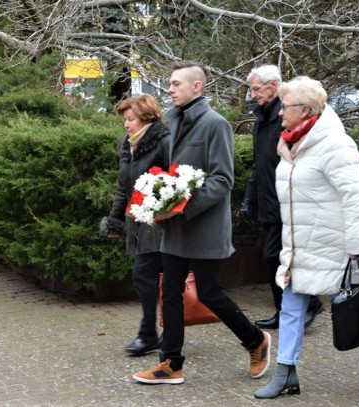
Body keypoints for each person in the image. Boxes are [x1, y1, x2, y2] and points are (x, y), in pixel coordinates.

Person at [254, 76, 359, 399]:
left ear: (306, 109)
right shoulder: (289, 141)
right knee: (291, 306)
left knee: (357, 309)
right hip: (298, 245)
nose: (280, 113)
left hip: (335, 246)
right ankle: (286, 374)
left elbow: (354, 198)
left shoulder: (336, 144)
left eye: (286, 107)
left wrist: (358, 249)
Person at [133, 61, 271, 385]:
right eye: (169, 83)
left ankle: (256, 341)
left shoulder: (215, 124)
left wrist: (180, 208)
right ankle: (171, 364)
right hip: (175, 229)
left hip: (204, 227)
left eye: (176, 83)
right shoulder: (174, 123)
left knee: (209, 293)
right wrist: (157, 206)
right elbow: (171, 177)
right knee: (170, 294)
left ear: (197, 87)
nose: (169, 89)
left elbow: (223, 179)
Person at [241, 65, 324, 330]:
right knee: (276, 257)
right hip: (269, 200)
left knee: (276, 256)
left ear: (273, 85)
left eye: (256, 88)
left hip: (289, 200)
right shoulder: (262, 120)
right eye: (252, 89)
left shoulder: (288, 116)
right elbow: (260, 163)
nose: (253, 94)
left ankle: (306, 305)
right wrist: (248, 199)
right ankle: (289, 310)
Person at [100, 94, 170, 356]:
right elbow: (123, 187)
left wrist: (161, 210)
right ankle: (161, 333)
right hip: (138, 221)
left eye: (130, 119)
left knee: (146, 276)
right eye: (125, 120)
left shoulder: (163, 141)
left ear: (146, 117)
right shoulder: (128, 145)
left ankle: (150, 334)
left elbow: (175, 180)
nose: (126, 125)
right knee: (155, 280)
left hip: (160, 223)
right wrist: (115, 220)